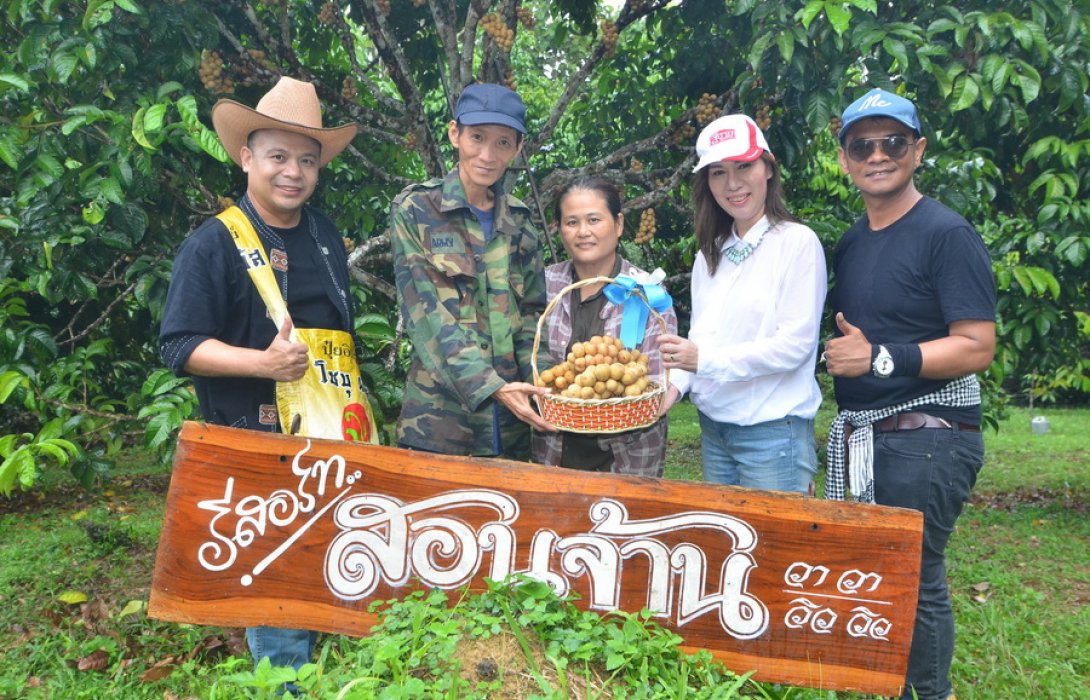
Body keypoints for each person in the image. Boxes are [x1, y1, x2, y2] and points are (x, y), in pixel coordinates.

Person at [159, 76, 360, 675]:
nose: (292, 172)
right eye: (278, 157)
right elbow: (179, 345)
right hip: (255, 433)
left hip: (331, 425)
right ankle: (285, 679)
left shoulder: (324, 233)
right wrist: (261, 363)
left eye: (307, 160)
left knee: (329, 543)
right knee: (274, 557)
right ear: (247, 158)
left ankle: (331, 657)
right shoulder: (213, 244)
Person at [822, 88, 997, 700]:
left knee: (914, 579)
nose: (878, 155)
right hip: (872, 436)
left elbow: (976, 344)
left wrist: (880, 357)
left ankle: (929, 693)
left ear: (917, 150)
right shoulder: (852, 242)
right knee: (879, 576)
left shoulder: (946, 233)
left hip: (928, 435)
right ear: (844, 159)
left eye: (892, 142)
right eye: (862, 146)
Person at [657, 114, 827, 494]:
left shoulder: (796, 243)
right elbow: (702, 338)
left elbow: (795, 347)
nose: (732, 183)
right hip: (714, 431)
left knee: (774, 536)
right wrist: (673, 388)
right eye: (718, 172)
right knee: (725, 534)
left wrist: (703, 360)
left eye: (744, 166)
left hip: (773, 436)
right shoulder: (711, 253)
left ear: (768, 168)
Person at [388, 83, 553, 459]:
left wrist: (546, 385)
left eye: (503, 143)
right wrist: (493, 387)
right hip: (439, 424)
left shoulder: (520, 222)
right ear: (455, 134)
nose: (487, 155)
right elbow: (427, 314)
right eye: (477, 137)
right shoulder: (416, 209)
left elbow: (533, 316)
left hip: (513, 426)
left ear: (518, 147)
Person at [532, 178, 678, 476]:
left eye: (594, 220)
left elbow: (658, 377)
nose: (583, 232)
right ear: (559, 229)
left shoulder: (646, 291)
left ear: (618, 224)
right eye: (571, 222)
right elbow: (527, 355)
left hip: (629, 456)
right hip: (554, 451)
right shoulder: (544, 285)